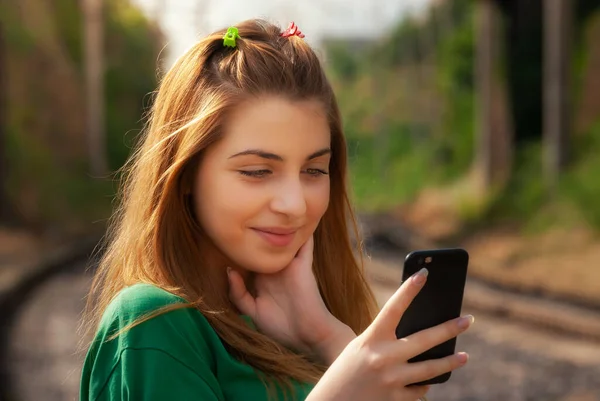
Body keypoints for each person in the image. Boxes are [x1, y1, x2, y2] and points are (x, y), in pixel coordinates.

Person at [79, 19, 473, 401]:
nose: (295, 204)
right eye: (257, 171)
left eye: (314, 170)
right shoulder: (153, 325)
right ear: (184, 175)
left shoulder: (303, 324)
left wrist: (328, 338)